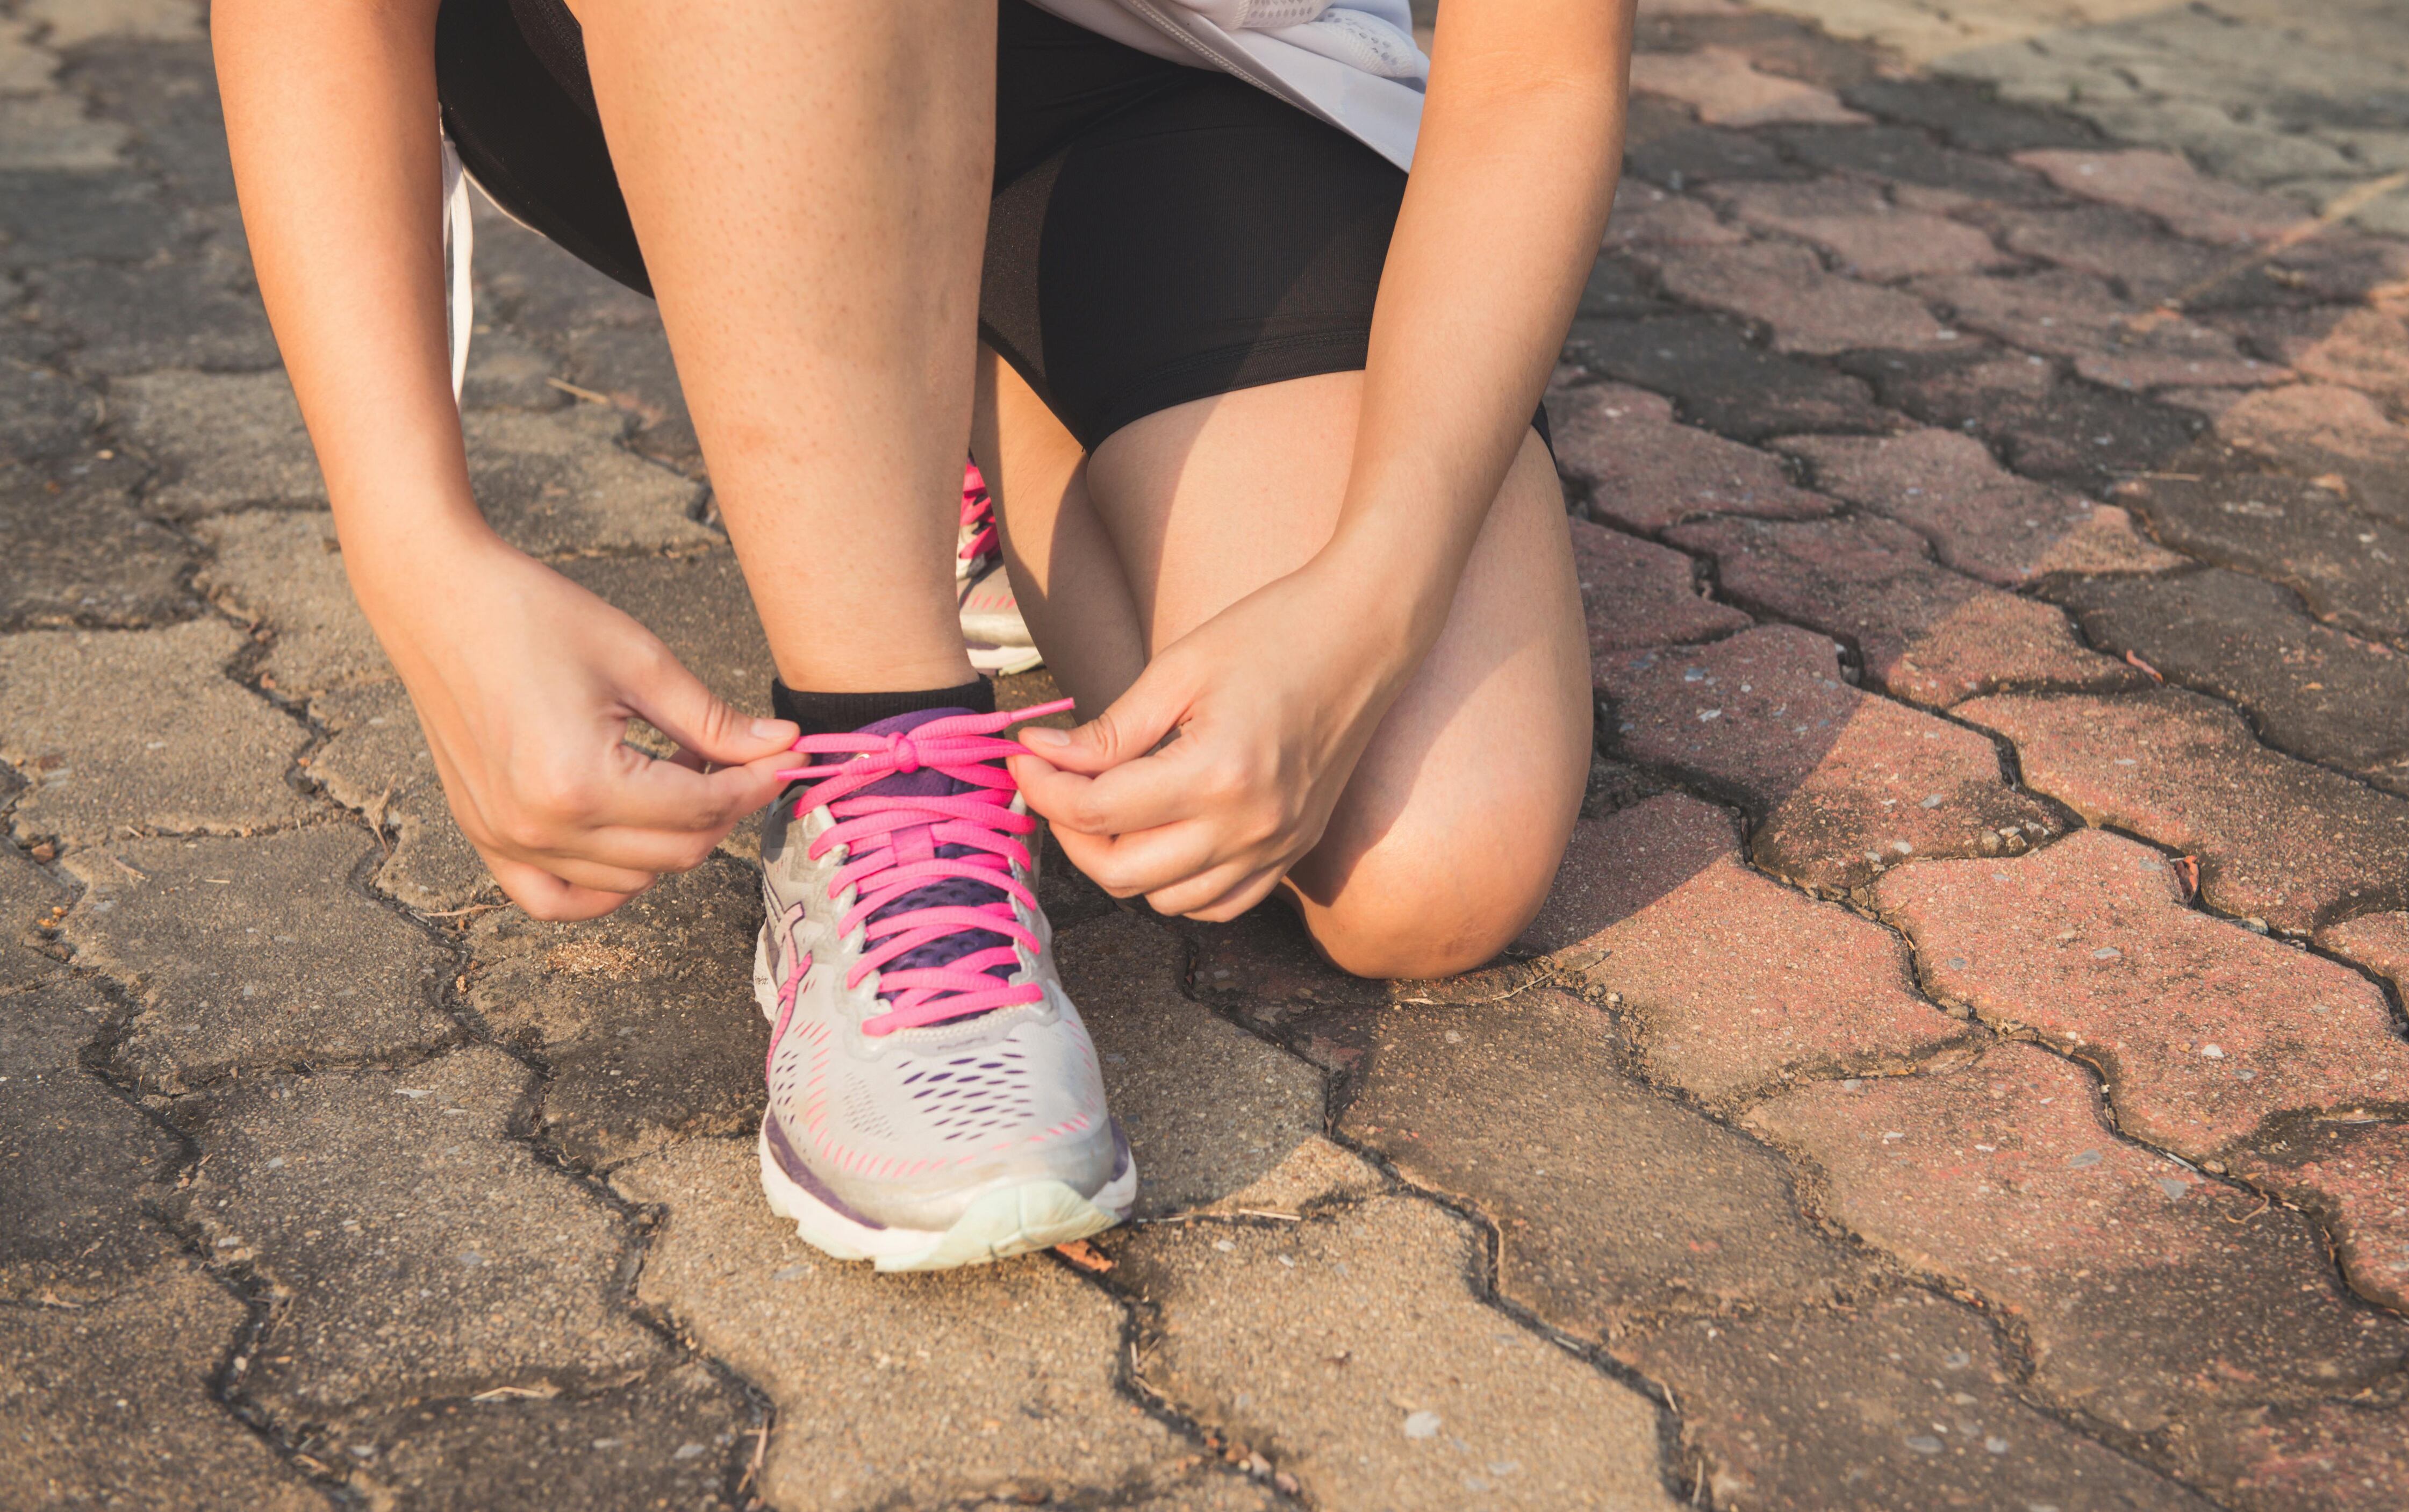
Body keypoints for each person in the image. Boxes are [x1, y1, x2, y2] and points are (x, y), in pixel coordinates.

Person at [211, 0, 1627, 1270]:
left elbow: (1540, 75)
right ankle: (883, 748)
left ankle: (938, 382)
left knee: (1426, 860)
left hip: (1201, 83)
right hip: (707, 45)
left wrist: (1370, 603)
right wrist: (413, 548)